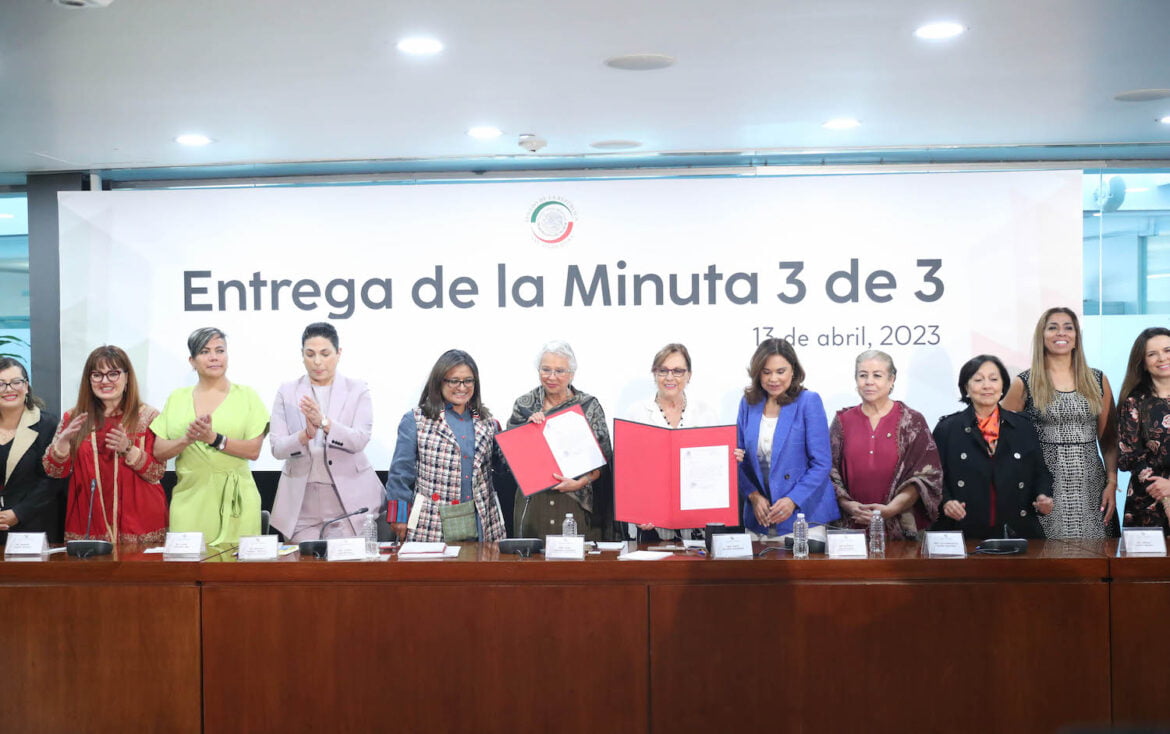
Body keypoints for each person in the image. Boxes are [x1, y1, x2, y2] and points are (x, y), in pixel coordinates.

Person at [1004, 307, 1118, 538]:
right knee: (1048, 560)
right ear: (1042, 336)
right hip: (1045, 488)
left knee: (1098, 559)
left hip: (1091, 484)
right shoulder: (1024, 382)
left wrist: (1112, 483)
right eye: (1052, 327)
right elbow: (1004, 439)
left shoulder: (1097, 379)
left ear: (1076, 336)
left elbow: (1108, 439)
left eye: (1068, 327)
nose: (1061, 333)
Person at [151, 328, 269, 545]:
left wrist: (214, 439)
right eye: (205, 352)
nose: (214, 357)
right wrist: (187, 439)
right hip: (189, 500)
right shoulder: (177, 398)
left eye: (220, 350)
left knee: (238, 575)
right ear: (192, 361)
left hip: (239, 501)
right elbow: (159, 451)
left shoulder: (247, 396)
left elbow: (253, 450)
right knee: (188, 571)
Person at [268, 322, 383, 542]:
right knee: (303, 571)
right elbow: (277, 448)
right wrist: (305, 435)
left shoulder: (357, 389)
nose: (317, 361)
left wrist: (324, 422)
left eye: (325, 353)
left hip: (348, 499)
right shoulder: (287, 390)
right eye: (310, 354)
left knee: (346, 570)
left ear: (338, 353)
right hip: (302, 502)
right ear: (301, 355)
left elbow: (359, 439)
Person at [43, 346, 167, 543]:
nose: (105, 381)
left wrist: (129, 449)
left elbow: (156, 472)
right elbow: (54, 471)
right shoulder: (74, 417)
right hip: (88, 520)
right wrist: (63, 443)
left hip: (140, 523)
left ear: (127, 378)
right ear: (88, 380)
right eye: (97, 375)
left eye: (113, 374)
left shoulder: (148, 416)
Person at [384, 350, 507, 542]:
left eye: (468, 381)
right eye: (454, 381)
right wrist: (398, 518)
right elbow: (400, 473)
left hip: (482, 520)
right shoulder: (416, 419)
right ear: (439, 381)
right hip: (430, 519)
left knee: (481, 572)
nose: (462, 387)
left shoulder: (488, 423)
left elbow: (504, 468)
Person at [932, 355, 1053, 539]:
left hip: (1017, 531)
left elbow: (1041, 472)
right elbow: (934, 476)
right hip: (963, 531)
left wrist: (1043, 496)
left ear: (1003, 386)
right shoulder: (947, 428)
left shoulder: (1023, 426)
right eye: (978, 380)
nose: (987, 386)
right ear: (966, 387)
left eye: (994, 379)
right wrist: (947, 502)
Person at [830, 350, 942, 540]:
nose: (869, 382)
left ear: (891, 380)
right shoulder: (842, 421)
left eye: (877, 375)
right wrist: (848, 505)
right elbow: (827, 470)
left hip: (899, 529)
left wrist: (891, 509)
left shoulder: (912, 421)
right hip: (850, 531)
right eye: (863, 375)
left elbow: (925, 476)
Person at [509, 340, 615, 540]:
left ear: (572, 374)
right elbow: (507, 457)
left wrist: (580, 482)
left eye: (560, 371)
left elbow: (604, 459)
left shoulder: (588, 406)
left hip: (576, 502)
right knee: (532, 567)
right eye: (545, 369)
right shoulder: (525, 405)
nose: (551, 377)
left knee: (576, 567)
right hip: (533, 502)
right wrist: (527, 431)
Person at [736, 338, 838, 539]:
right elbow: (737, 460)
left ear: (793, 370)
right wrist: (753, 496)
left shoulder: (809, 401)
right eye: (766, 372)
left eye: (780, 371)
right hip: (759, 519)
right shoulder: (748, 403)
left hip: (804, 517)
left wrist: (793, 499)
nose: (773, 379)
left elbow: (821, 464)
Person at [622, 342, 718, 542]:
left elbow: (714, 467)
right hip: (648, 521)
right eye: (663, 370)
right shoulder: (636, 413)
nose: (669, 377)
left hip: (695, 519)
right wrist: (636, 511)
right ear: (654, 374)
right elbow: (626, 470)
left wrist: (731, 458)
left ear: (689, 375)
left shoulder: (706, 414)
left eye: (678, 371)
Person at [0, 358, 65, 542]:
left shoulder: (48, 425)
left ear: (26, 386)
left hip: (34, 527)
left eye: (16, 382)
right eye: (1, 384)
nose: (9, 389)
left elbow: (53, 479)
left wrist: (18, 512)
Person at [1116, 326, 1170, 531]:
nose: (1162, 358)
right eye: (1152, 354)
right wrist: (1165, 497)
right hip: (1148, 502)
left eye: (1167, 350)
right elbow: (1128, 456)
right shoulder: (1134, 402)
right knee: (1146, 564)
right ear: (1143, 363)